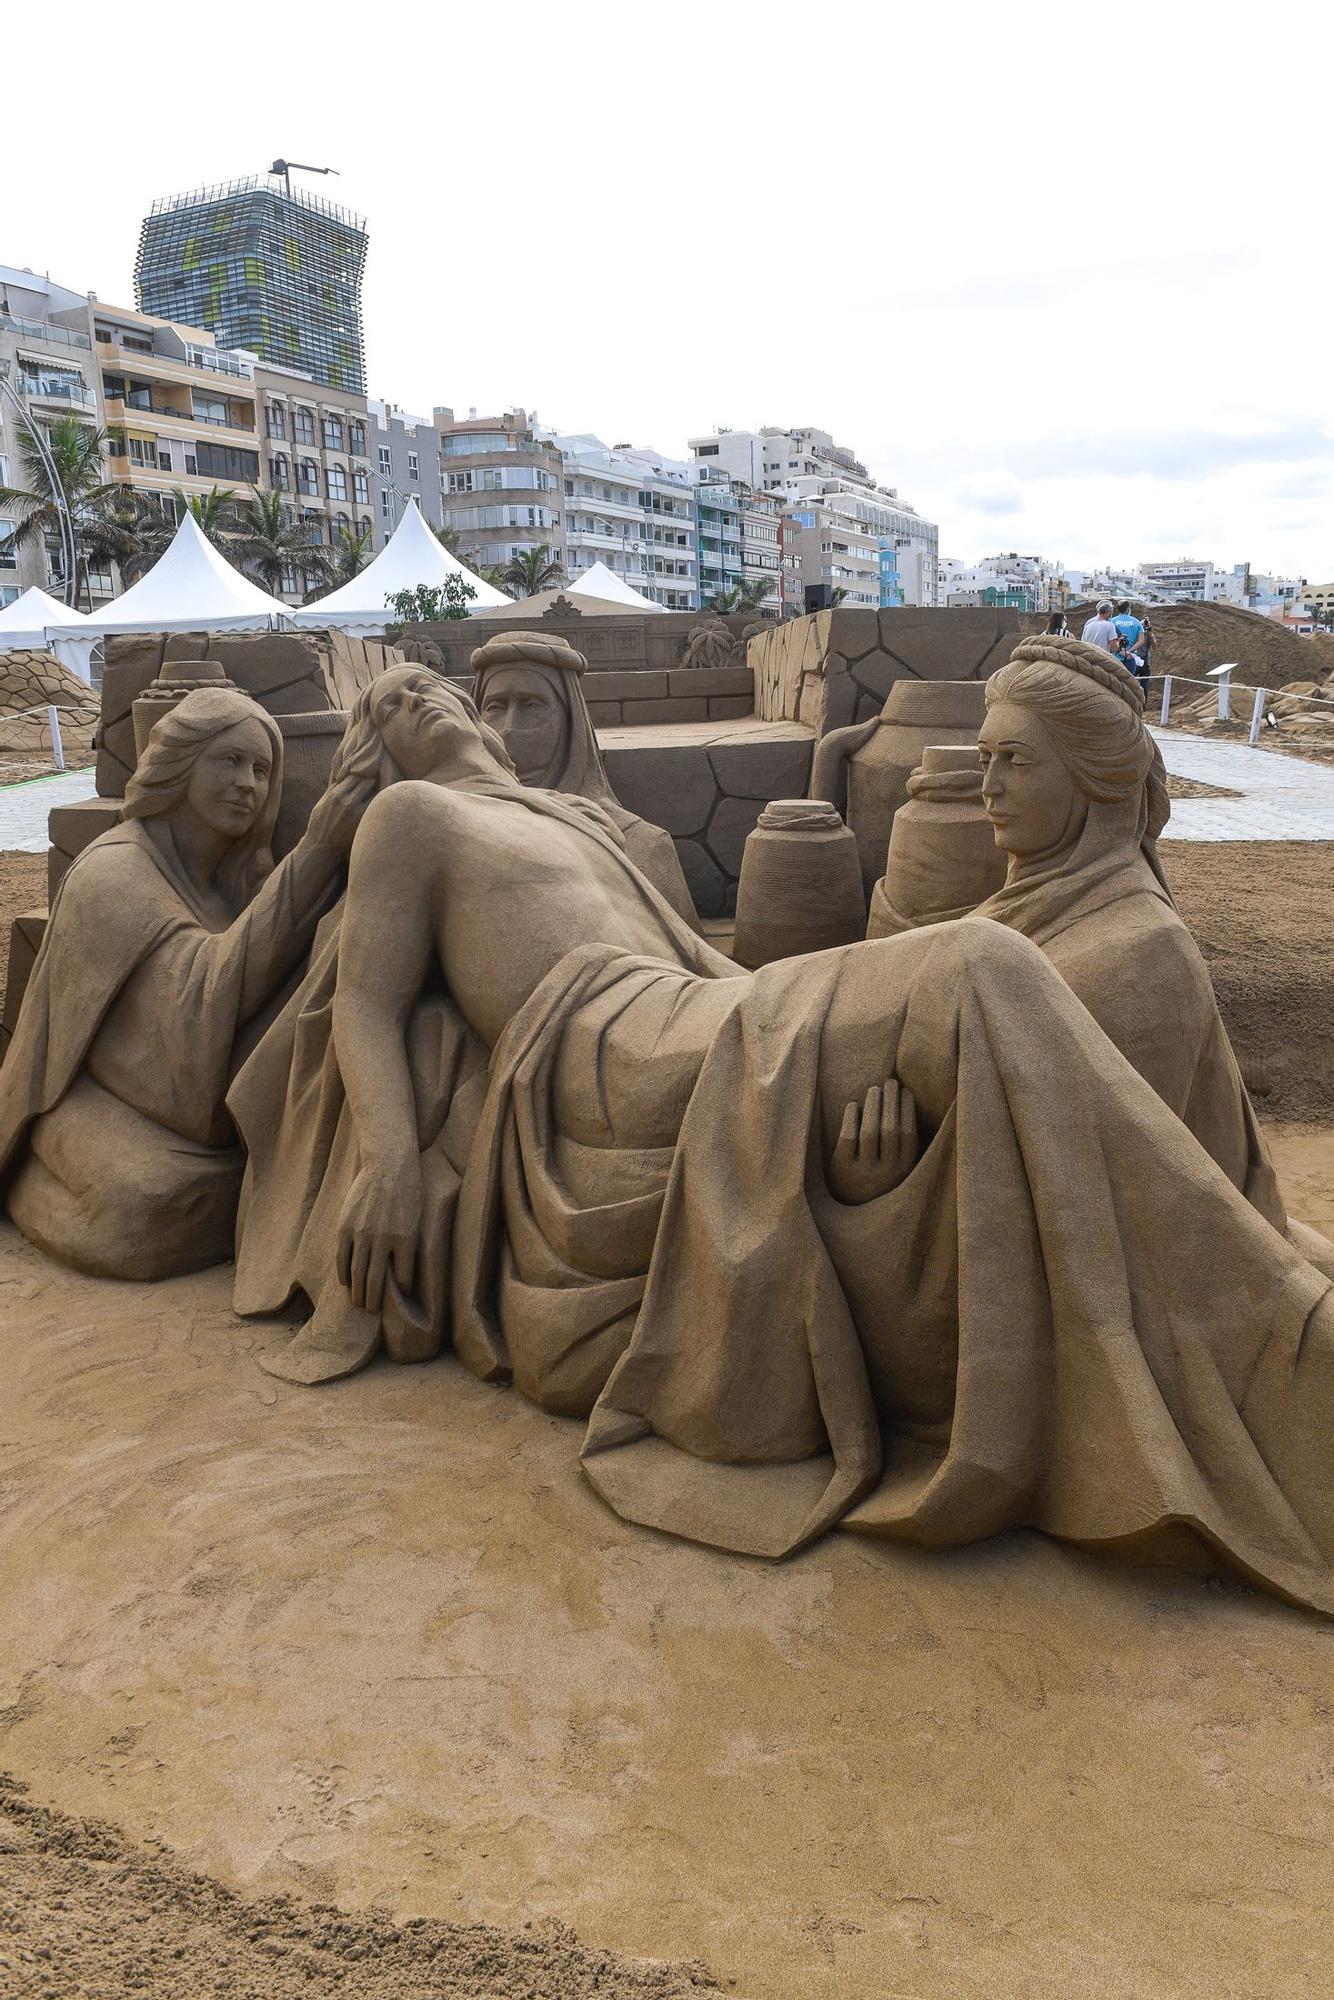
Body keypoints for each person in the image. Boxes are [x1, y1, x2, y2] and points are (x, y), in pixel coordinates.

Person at [236, 665, 1334, 1616]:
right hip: (603, 1047)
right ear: (374, 745)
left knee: (985, 982)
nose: (423, 697)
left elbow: (721, 977)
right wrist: (385, 1155)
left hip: (709, 1018)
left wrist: (816, 1021)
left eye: (436, 687)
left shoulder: (585, 820)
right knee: (978, 969)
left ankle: (1249, 1275)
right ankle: (1282, 1345)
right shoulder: (413, 816)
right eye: (392, 699)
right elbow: (370, 1005)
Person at [971, 633, 1332, 1273]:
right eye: (984, 758)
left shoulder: (1141, 955)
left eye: (1016, 760)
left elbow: (1093, 1210)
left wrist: (885, 1181)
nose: (988, 787)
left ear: (1096, 777)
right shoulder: (1030, 905)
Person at [0, 689, 369, 1278]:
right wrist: (318, 849)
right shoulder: (112, 872)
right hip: (124, 1094)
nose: (248, 782)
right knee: (149, 1206)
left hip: (192, 1090)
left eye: (261, 770)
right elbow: (201, 1002)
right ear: (180, 763)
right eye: (228, 761)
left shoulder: (237, 872)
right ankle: (37, 1173)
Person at [470, 629, 698, 924]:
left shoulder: (641, 847)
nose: (509, 729)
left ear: (571, 722)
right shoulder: (448, 838)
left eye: (531, 705)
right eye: (495, 707)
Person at [1111, 600, 1147, 691]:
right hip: (1130, 658)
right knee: (1130, 686)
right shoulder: (1136, 622)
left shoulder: (1112, 621)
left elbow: (1110, 639)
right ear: (1128, 609)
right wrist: (1129, 651)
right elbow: (1141, 640)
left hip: (1114, 657)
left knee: (1114, 684)